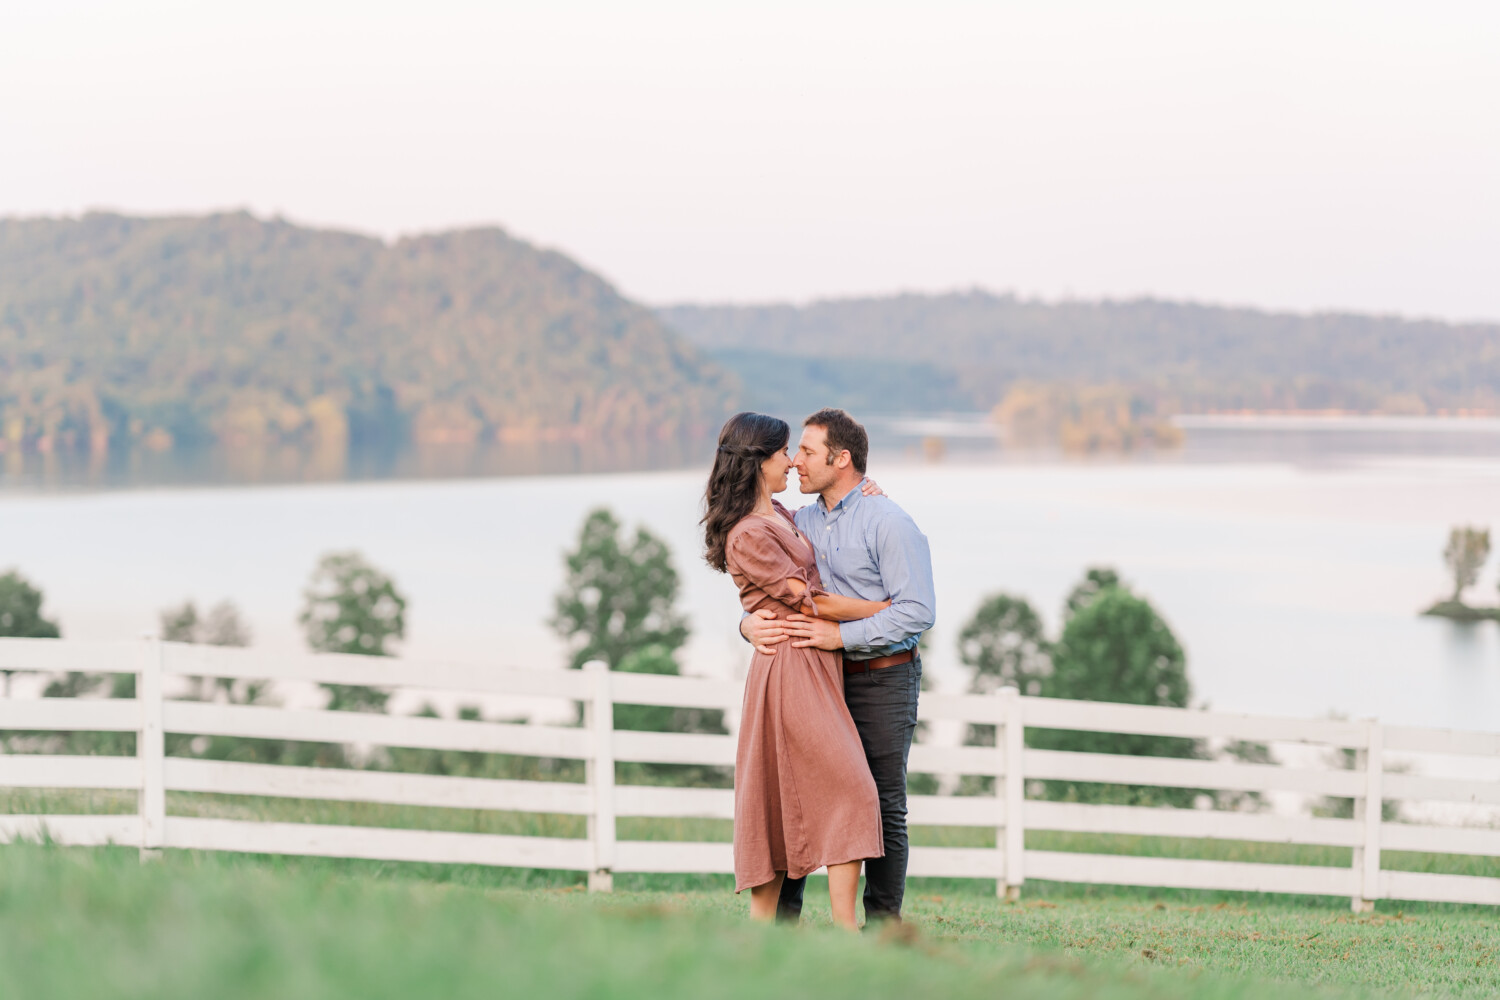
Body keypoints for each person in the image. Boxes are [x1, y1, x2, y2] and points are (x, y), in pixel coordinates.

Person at [740, 407, 935, 925]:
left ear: (841, 459)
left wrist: (841, 635)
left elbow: (917, 612)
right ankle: (782, 922)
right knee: (798, 790)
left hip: (880, 677)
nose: (796, 462)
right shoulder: (796, 520)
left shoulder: (888, 521)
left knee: (879, 798)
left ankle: (883, 927)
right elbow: (765, 585)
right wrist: (747, 625)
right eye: (794, 452)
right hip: (815, 679)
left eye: (806, 452)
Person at [703, 411, 890, 930]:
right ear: (759, 462)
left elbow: (835, 520)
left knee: (812, 790)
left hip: (817, 664)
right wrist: (888, 609)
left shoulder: (783, 515)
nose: (791, 460)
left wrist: (866, 496)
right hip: (790, 667)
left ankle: (783, 933)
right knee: (851, 788)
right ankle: (843, 929)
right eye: (784, 452)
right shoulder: (747, 534)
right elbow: (810, 602)